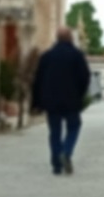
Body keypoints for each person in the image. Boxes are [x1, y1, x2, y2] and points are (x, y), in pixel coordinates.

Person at [31, 28, 91, 175]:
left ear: (57, 39)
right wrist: (80, 96)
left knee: (55, 132)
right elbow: (85, 77)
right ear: (70, 39)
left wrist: (36, 102)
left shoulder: (47, 56)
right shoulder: (77, 56)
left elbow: (37, 80)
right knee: (74, 126)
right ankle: (67, 151)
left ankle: (57, 164)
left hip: (51, 102)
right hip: (71, 101)